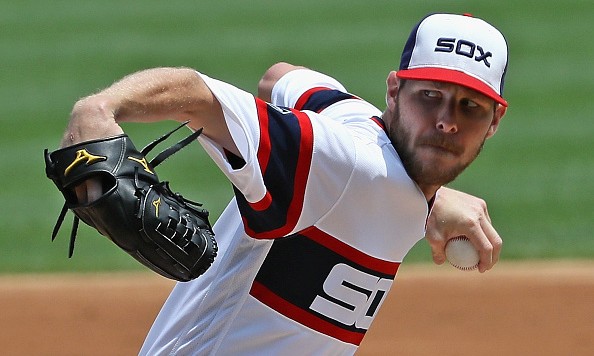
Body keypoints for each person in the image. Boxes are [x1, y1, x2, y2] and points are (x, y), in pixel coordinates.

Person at [61, 13, 507, 355]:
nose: (447, 122)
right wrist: (99, 109)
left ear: (494, 122)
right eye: (430, 96)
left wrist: (426, 195)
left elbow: (277, 76)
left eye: (470, 107)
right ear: (395, 91)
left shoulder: (353, 121)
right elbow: (198, 94)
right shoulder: (343, 161)